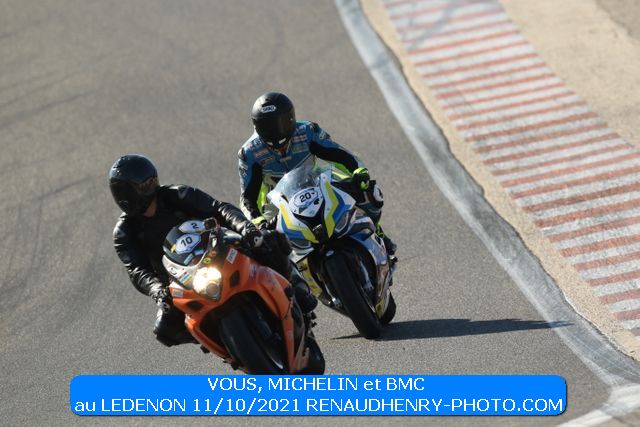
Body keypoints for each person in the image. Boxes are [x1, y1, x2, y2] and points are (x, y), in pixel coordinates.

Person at [109, 154, 316, 347]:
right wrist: (157, 290)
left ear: (149, 184)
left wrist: (246, 228)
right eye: (121, 191)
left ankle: (297, 292)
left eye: (131, 189)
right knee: (164, 330)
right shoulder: (124, 232)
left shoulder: (177, 195)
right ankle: (224, 345)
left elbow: (219, 209)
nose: (127, 196)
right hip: (181, 280)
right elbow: (136, 270)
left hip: (218, 251)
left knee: (269, 241)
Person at [238, 91, 396, 255]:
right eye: (268, 127)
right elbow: (247, 197)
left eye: (281, 124)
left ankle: (378, 233)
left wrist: (358, 171)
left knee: (370, 193)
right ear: (257, 127)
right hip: (278, 202)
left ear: (291, 118)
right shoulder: (249, 152)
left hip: (314, 182)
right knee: (264, 247)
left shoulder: (307, 130)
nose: (276, 132)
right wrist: (258, 221)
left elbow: (340, 155)